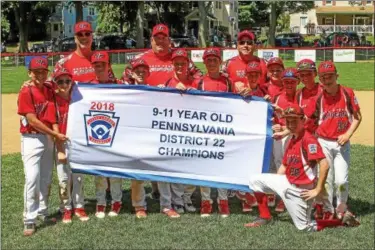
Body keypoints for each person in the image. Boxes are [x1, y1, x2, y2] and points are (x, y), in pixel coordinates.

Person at [244, 104, 359, 231]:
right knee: (254, 180)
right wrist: (275, 184)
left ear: (303, 120)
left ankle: (341, 221)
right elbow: (285, 165)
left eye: (294, 120)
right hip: (287, 181)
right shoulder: (293, 137)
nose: (291, 123)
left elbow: (324, 164)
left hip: (301, 191)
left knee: (304, 227)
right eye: (288, 120)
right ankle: (265, 216)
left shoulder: (308, 140)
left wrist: (317, 189)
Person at [304, 61, 362, 221]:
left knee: (341, 179)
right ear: (320, 79)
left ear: (337, 76)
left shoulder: (347, 93)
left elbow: (357, 118)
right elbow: (309, 119)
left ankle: (342, 206)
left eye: (330, 76)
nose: (327, 79)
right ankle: (328, 209)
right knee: (327, 179)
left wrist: (347, 134)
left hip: (341, 143)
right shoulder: (319, 97)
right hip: (323, 142)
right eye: (323, 76)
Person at [18, 57, 67, 236]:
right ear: (29, 73)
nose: (39, 74)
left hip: (47, 138)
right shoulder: (25, 92)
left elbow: (66, 85)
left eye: (42, 71)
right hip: (31, 138)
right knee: (32, 177)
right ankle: (29, 219)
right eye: (35, 71)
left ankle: (42, 212)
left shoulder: (49, 88)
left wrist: (52, 135)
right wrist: (55, 134)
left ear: (47, 73)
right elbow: (32, 120)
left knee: (46, 177)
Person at [190, 48, 232, 218]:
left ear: (220, 61)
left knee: (223, 165)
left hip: (222, 130)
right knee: (205, 166)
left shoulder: (228, 82)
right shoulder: (199, 82)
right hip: (204, 130)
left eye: (215, 60)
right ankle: (206, 201)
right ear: (204, 62)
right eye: (209, 60)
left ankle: (223, 201)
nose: (212, 63)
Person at [45, 68, 89, 223]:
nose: (64, 84)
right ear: (55, 83)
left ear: (72, 82)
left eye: (67, 81)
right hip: (61, 143)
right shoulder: (53, 100)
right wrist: (60, 150)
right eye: (60, 81)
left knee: (78, 178)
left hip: (77, 144)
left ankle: (79, 206)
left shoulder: (78, 98)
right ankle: (66, 208)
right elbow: (54, 124)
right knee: (64, 179)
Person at [122, 24, 202, 87]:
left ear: (169, 40)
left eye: (163, 38)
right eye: (157, 38)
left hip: (176, 103)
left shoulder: (179, 57)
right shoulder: (138, 59)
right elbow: (124, 82)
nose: (160, 41)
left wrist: (188, 87)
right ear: (151, 40)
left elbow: (199, 77)